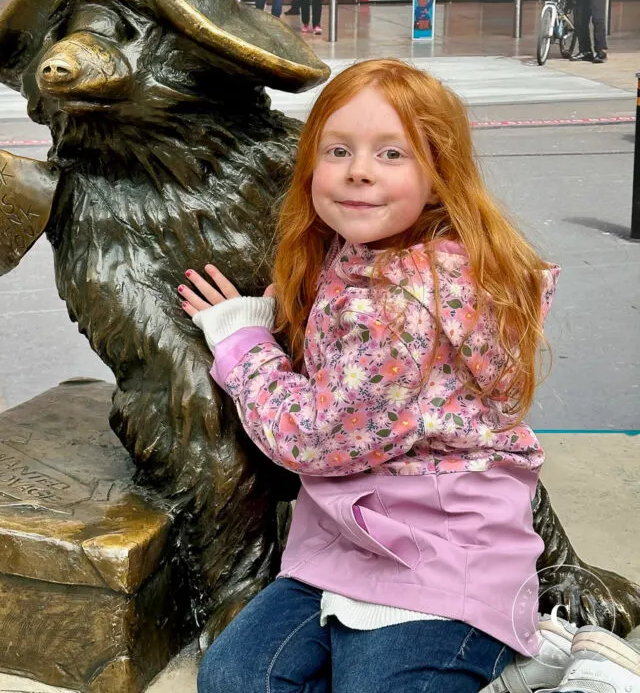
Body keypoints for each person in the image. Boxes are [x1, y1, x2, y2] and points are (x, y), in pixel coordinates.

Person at [178, 58, 561, 693]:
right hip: (347, 536)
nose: (359, 170)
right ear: (310, 167)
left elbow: (314, 438)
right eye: (338, 150)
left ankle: (554, 669)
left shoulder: (402, 305)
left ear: (439, 178)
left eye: (391, 154)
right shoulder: (357, 252)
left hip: (445, 553)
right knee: (238, 677)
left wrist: (241, 342)